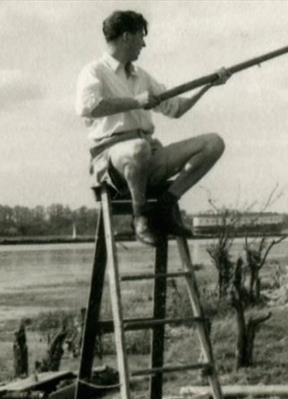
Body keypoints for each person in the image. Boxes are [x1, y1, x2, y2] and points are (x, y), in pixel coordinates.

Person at [75, 10, 231, 246]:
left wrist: (209, 85)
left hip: (147, 156)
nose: (144, 44)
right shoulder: (93, 71)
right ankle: (140, 218)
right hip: (111, 161)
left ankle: (164, 208)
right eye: (141, 36)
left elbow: (176, 109)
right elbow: (88, 107)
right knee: (138, 148)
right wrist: (136, 101)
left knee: (213, 143)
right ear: (127, 36)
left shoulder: (142, 76)